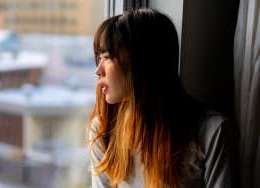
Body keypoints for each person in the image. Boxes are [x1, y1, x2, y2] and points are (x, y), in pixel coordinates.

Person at [88, 8, 236, 188]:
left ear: (140, 64)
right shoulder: (104, 131)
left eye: (107, 57)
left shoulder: (211, 132)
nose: (98, 70)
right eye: (99, 58)